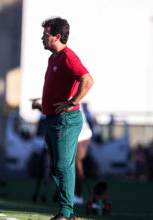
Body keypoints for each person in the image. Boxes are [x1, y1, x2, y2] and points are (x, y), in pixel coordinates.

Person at [40, 17, 94, 220]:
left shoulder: (68, 57)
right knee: (55, 167)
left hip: (66, 120)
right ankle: (68, 211)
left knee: (63, 166)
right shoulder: (53, 58)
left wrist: (71, 102)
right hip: (52, 119)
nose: (42, 38)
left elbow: (87, 80)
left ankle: (65, 212)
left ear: (57, 36)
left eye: (46, 35)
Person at [73, 103, 93, 204]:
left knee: (78, 165)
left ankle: (78, 195)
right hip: (81, 135)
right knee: (76, 165)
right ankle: (76, 194)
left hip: (81, 136)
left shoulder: (72, 98)